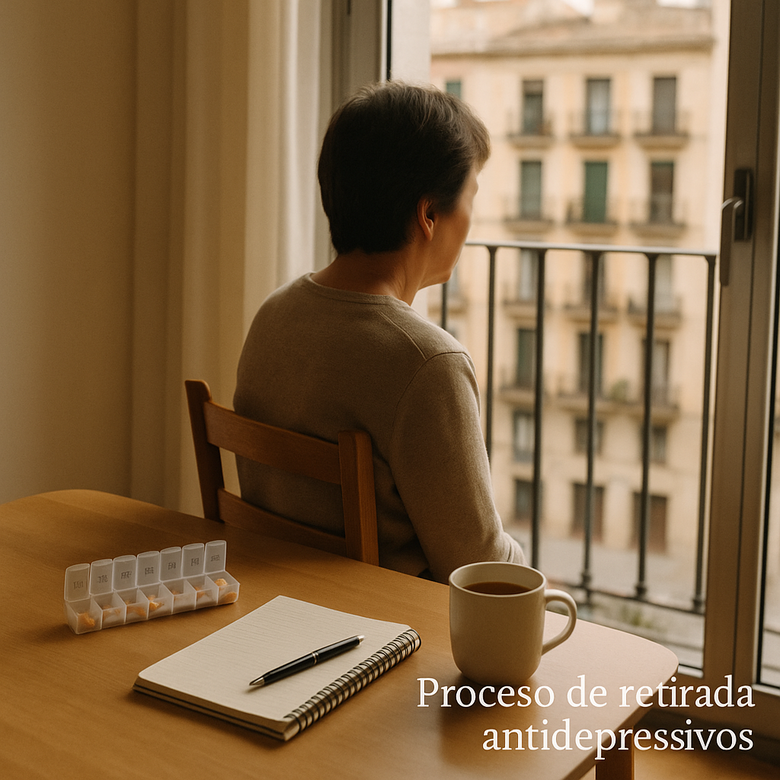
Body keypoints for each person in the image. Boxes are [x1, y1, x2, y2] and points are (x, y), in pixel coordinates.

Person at [234, 81, 525, 583]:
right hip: (386, 639)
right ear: (429, 214)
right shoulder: (428, 364)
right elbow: (481, 571)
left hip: (269, 613)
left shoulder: (272, 315)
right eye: (470, 196)